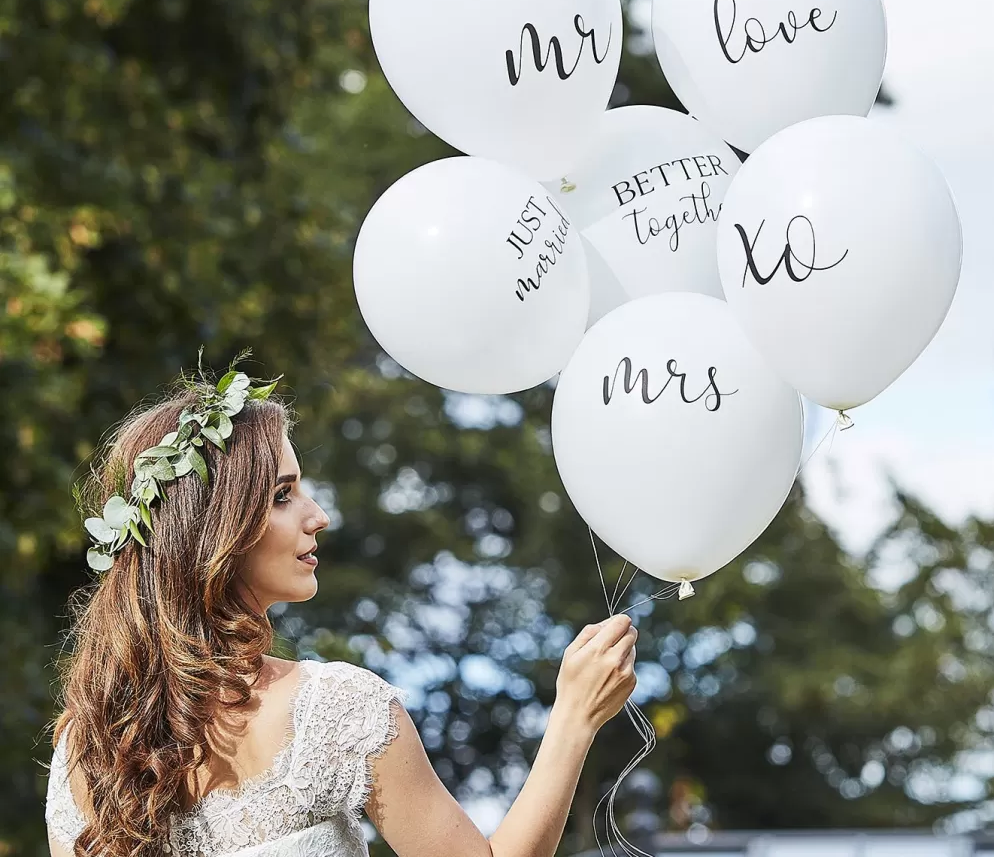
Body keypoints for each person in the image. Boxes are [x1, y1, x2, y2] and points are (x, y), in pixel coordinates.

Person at [44, 357, 638, 857]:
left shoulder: (87, 746)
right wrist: (573, 719)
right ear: (211, 530)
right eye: (282, 494)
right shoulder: (334, 710)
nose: (316, 516)